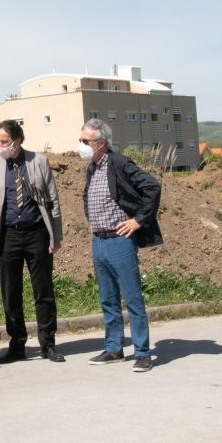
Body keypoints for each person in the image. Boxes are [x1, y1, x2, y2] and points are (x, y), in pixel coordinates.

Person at [80, 118, 164, 373]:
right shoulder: (92, 168)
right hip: (100, 241)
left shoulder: (118, 163)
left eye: (86, 141)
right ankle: (114, 347)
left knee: (132, 298)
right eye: (80, 140)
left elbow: (152, 186)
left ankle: (142, 352)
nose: (81, 145)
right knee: (108, 298)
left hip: (120, 241)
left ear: (101, 143)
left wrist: (138, 221)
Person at [0, 120, 65, 363]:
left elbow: (53, 201)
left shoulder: (38, 162)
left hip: (36, 232)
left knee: (43, 289)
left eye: (5, 141)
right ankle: (17, 343)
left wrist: (55, 235)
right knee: (11, 291)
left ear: (17, 140)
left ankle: (48, 343)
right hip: (7, 235)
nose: (1, 145)